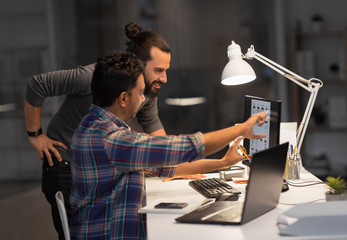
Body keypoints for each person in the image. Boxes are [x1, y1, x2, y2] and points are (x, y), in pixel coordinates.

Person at [23, 22, 246, 239]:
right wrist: (36, 135)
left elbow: (160, 147)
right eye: (158, 70)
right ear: (125, 93)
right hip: (63, 160)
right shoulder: (109, 129)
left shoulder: (108, 120)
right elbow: (38, 85)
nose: (163, 79)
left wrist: (210, 163)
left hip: (94, 164)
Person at [70, 51, 266, 239]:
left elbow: (167, 165)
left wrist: (223, 163)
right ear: (123, 98)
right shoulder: (110, 140)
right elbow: (185, 147)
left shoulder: (92, 125)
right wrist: (242, 129)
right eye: (139, 93)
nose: (142, 100)